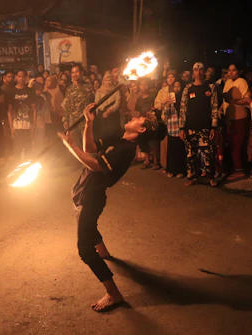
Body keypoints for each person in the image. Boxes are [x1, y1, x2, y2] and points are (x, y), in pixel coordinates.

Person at [58, 102, 159, 312]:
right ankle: (103, 253)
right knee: (88, 226)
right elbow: (90, 150)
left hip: (92, 196)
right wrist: (89, 123)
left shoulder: (127, 150)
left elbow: (94, 164)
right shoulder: (119, 138)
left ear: (141, 130)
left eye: (138, 119)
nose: (133, 117)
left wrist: (69, 146)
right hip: (85, 188)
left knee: (85, 250)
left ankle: (114, 294)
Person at [179, 62, 219, 187]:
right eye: (196, 69)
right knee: (191, 154)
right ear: (193, 72)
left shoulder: (210, 87)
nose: (198, 72)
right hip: (190, 127)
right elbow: (183, 108)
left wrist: (214, 126)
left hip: (205, 126)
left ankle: (210, 176)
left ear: (204, 72)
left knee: (209, 153)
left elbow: (214, 107)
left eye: (201, 69)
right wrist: (182, 128)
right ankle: (192, 177)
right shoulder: (188, 88)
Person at [222, 63, 250, 180]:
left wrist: (235, 102)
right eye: (229, 70)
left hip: (239, 117)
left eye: (234, 70)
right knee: (231, 143)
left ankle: (240, 169)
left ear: (238, 71)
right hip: (229, 117)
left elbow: (247, 99)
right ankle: (233, 167)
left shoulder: (241, 82)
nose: (231, 72)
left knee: (237, 143)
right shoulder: (228, 83)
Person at [62, 65, 94, 149]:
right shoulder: (69, 89)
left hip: (85, 121)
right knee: (76, 146)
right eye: (72, 72)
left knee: (86, 146)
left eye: (76, 72)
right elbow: (66, 106)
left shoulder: (88, 87)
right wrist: (65, 120)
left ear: (81, 73)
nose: (74, 74)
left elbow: (93, 103)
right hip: (73, 122)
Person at [7, 70, 37, 162]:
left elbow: (34, 110)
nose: (21, 78)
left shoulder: (30, 91)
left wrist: (33, 126)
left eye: (23, 76)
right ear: (16, 77)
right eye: (19, 76)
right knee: (17, 151)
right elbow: (9, 111)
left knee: (28, 152)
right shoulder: (11, 91)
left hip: (28, 126)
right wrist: (11, 127)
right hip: (17, 127)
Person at [162, 80, 186, 177]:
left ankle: (181, 171)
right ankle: (171, 170)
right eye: (175, 87)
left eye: (178, 86)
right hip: (171, 128)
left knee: (180, 150)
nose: (176, 88)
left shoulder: (183, 99)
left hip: (180, 128)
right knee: (171, 151)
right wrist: (167, 104)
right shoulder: (169, 98)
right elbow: (165, 115)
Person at [134, 78, 158, 169]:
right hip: (143, 122)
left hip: (151, 122)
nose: (143, 87)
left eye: (145, 85)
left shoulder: (152, 96)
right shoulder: (139, 99)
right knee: (143, 141)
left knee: (153, 141)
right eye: (141, 85)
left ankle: (156, 161)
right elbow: (137, 111)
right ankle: (147, 160)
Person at [94, 73, 121, 140]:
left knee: (114, 135)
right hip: (103, 116)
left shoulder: (116, 91)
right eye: (106, 80)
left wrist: (109, 110)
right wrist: (104, 111)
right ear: (103, 81)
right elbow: (97, 103)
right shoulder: (99, 92)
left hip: (113, 116)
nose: (108, 82)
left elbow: (117, 102)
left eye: (110, 80)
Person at [32, 82, 52, 155]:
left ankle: (40, 156)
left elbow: (45, 111)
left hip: (40, 123)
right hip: (31, 123)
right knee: (32, 142)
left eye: (39, 90)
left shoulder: (42, 99)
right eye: (36, 90)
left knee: (40, 141)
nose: (37, 92)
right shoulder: (30, 99)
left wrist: (47, 121)